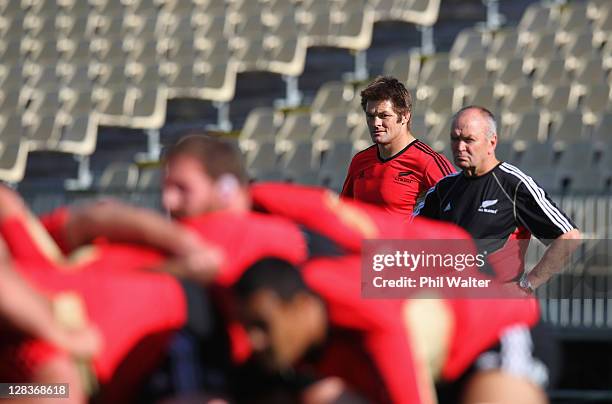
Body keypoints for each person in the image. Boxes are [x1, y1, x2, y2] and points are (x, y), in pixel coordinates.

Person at [234, 257, 546, 404]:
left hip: (496, 333)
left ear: (300, 306)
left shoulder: (343, 293)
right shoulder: (304, 360)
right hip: (439, 372)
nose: (254, 341)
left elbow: (389, 329)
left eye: (262, 325)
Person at [414, 105, 581, 291]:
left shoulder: (514, 184)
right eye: (455, 139)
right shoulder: (444, 188)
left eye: (469, 140)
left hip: (495, 306)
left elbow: (568, 237)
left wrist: (527, 285)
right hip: (452, 305)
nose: (460, 147)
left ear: (492, 142)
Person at [341, 76, 455, 217]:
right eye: (370, 116)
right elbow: (344, 212)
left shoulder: (428, 162)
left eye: (384, 116)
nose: (375, 123)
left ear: (405, 116)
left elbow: (458, 208)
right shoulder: (360, 160)